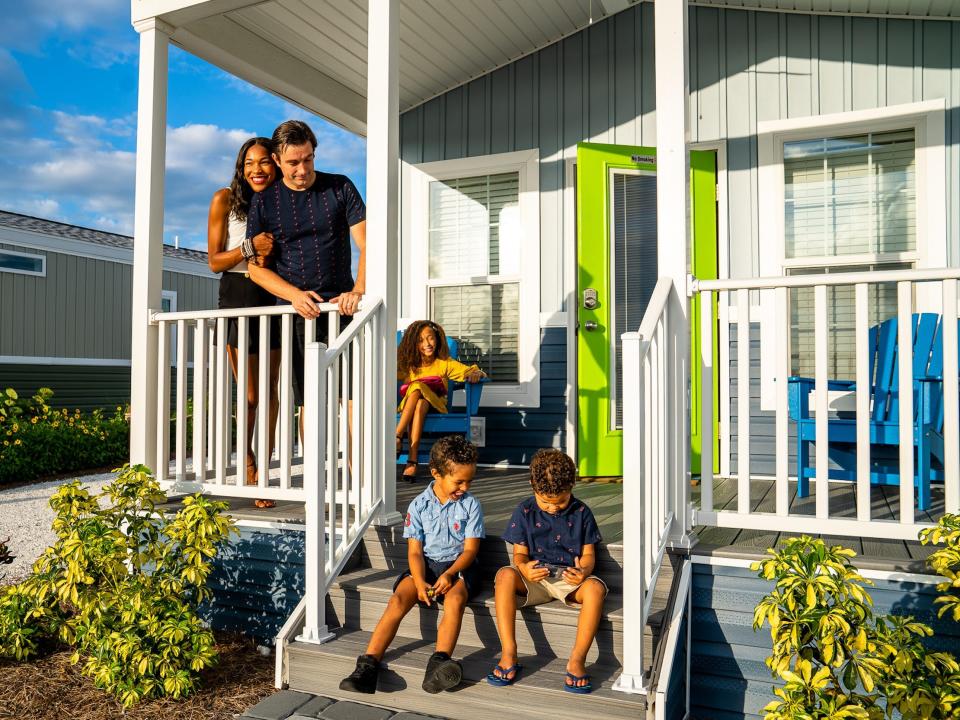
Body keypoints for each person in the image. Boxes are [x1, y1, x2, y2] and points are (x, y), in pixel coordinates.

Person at [339, 435, 484, 695]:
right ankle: (368, 665)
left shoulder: (471, 505)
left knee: (454, 601)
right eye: (458, 481)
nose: (464, 487)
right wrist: (418, 581)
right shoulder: (418, 506)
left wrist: (450, 574)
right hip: (425, 565)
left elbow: (471, 549)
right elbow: (415, 552)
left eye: (469, 481)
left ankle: (439, 662)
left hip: (459, 566)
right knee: (397, 600)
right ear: (436, 474)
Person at [246, 120, 366, 421]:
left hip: (342, 309)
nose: (302, 169)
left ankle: (355, 470)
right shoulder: (264, 201)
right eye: (293, 162)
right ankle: (316, 470)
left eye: (308, 159)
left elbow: (369, 244)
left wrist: (358, 290)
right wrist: (294, 296)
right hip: (297, 314)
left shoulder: (340, 187)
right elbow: (256, 270)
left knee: (351, 398)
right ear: (276, 160)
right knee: (310, 404)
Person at [488, 449, 607, 694]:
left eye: (561, 501)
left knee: (595, 589)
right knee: (504, 576)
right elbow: (519, 555)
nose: (553, 508)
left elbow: (588, 556)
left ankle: (577, 659)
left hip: (568, 580)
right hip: (535, 579)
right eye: (546, 502)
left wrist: (583, 572)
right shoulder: (524, 511)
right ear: (532, 485)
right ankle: (509, 652)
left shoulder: (582, 513)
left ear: (572, 485)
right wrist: (523, 568)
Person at [207, 137, 281, 508]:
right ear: (241, 166)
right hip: (238, 293)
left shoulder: (285, 202)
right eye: (250, 162)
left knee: (271, 391)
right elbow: (215, 261)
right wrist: (250, 247)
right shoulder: (225, 199)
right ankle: (246, 457)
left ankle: (263, 470)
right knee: (250, 394)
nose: (257, 169)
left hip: (276, 292)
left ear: (276, 164)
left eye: (265, 161)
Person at [396, 320, 485, 480]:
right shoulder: (408, 366)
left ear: (437, 338)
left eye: (430, 338)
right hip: (413, 407)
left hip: (437, 405)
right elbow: (382, 372)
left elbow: (471, 370)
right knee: (419, 400)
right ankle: (412, 459)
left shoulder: (444, 363)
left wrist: (475, 374)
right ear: (413, 344)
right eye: (420, 340)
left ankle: (397, 437)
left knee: (416, 386)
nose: (427, 344)